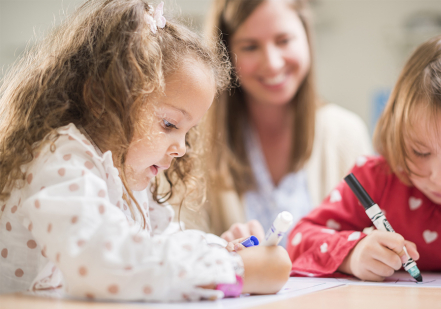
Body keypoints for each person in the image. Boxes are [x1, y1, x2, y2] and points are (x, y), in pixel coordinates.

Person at [0, 0, 291, 301]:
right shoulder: (60, 160)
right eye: (169, 124)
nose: (181, 148)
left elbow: (161, 244)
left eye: (188, 132)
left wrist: (221, 249)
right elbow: (104, 265)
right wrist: (235, 270)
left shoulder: (125, 173)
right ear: (104, 102)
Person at [287, 31, 441, 282]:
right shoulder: (376, 179)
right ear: (397, 130)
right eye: (421, 152)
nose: (440, 178)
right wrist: (352, 253)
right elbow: (299, 239)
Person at [196, 0, 372, 245]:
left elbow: (371, 234)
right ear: (226, 54)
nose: (272, 63)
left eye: (284, 41)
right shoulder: (193, 141)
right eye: (249, 47)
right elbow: (177, 239)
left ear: (306, 38)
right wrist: (218, 249)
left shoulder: (347, 133)